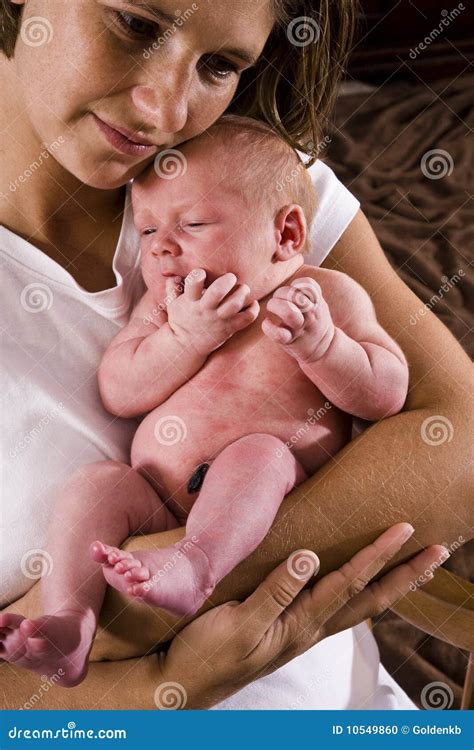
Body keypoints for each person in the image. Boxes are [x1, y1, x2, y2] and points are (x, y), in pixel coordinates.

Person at [1, 0, 471, 709]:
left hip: (339, 716)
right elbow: (123, 383)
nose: (164, 111)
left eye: (219, 64)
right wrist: (164, 687)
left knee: (261, 459)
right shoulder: (173, 264)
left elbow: (456, 443)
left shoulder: (249, 188)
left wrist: (191, 576)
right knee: (96, 490)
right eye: (135, 24)